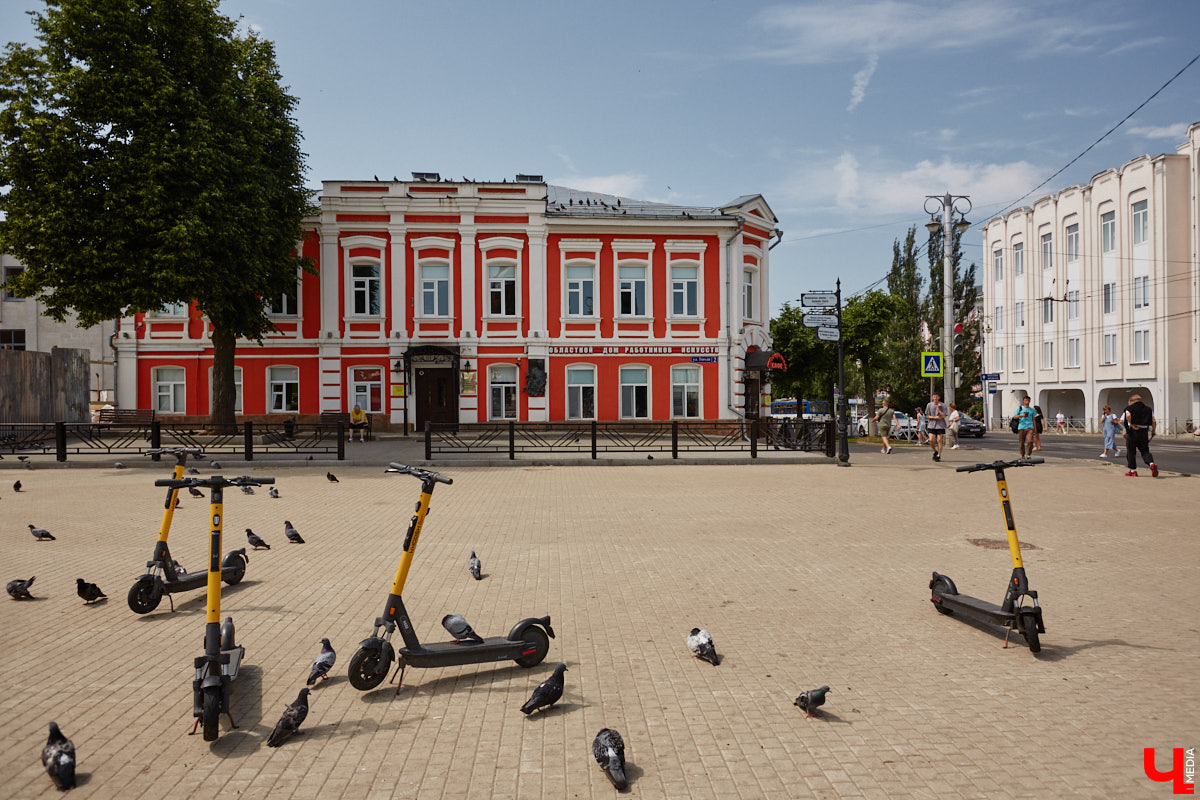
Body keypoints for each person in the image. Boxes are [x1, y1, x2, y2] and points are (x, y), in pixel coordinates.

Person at [1121, 394, 1158, 477]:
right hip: (1144, 432)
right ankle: (1151, 464)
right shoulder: (1148, 409)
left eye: (1129, 402)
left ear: (1132, 401)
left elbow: (1128, 416)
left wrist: (1132, 425)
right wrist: (1153, 431)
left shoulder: (1129, 408)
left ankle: (1133, 470)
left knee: (1131, 451)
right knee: (1145, 450)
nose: (1128, 404)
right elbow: (1154, 421)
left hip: (1133, 431)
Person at [925, 393, 948, 462]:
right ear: (932, 398)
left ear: (939, 397)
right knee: (931, 440)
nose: (935, 398)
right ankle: (935, 451)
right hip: (931, 424)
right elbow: (927, 415)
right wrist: (935, 417)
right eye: (934, 397)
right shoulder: (929, 405)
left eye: (936, 397)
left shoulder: (943, 405)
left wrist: (939, 409)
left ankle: (939, 455)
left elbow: (944, 416)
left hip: (940, 425)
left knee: (939, 440)